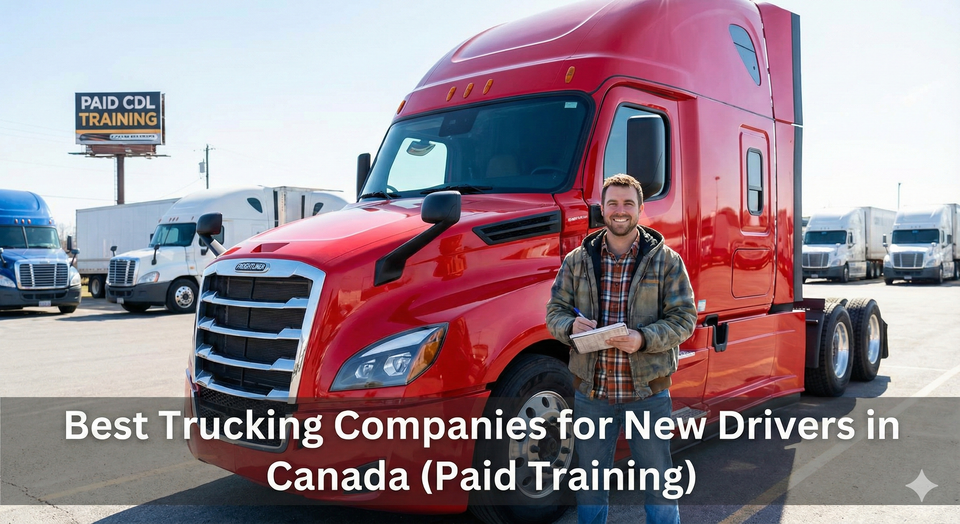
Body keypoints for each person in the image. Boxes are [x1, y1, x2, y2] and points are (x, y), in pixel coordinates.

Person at [546, 174, 697, 524]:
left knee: (659, 483)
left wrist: (642, 339)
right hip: (592, 393)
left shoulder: (667, 261)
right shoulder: (577, 260)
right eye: (612, 203)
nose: (620, 211)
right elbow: (554, 312)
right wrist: (569, 326)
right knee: (591, 485)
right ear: (602, 209)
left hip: (647, 393)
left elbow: (685, 319)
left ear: (641, 210)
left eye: (628, 203)